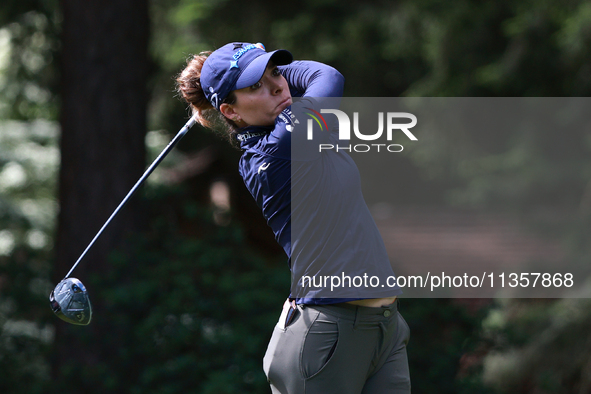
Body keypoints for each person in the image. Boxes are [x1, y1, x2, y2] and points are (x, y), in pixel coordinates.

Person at [176, 42, 411, 394]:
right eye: (255, 86)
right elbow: (326, 76)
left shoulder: (303, 129)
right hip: (328, 334)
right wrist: (259, 63)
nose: (277, 86)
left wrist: (255, 65)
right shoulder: (277, 150)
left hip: (385, 327)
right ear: (230, 111)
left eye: (276, 73)